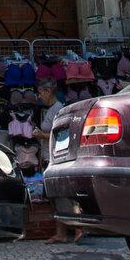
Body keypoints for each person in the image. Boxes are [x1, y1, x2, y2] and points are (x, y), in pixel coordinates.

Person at [33, 80, 81, 245]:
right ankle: (61, 233)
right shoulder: (51, 110)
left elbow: (62, 134)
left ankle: (78, 227)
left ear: (48, 91)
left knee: (61, 195)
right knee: (54, 197)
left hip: (57, 157)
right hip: (49, 156)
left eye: (41, 93)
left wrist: (41, 135)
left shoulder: (58, 109)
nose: (39, 96)